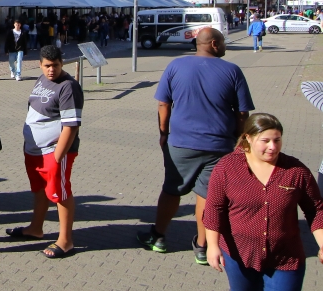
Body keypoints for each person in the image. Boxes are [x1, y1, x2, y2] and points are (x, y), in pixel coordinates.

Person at [137, 27, 255, 264]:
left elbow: (163, 104)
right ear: (213, 44)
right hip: (220, 144)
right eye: (222, 42)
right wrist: (239, 138)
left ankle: (158, 236)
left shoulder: (175, 66)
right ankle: (203, 247)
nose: (224, 46)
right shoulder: (232, 70)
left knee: (172, 189)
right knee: (208, 195)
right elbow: (243, 113)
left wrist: (163, 133)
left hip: (181, 142)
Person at [204, 113, 323, 290]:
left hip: (285, 258)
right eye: (265, 140)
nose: (272, 147)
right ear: (248, 138)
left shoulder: (296, 171)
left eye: (277, 140)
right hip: (239, 256)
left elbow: (316, 209)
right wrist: (212, 246)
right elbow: (214, 208)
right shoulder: (227, 168)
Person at [5, 45, 82, 258]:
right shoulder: (41, 80)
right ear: (40, 65)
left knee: (59, 192)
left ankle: (65, 241)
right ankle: (35, 229)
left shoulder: (68, 86)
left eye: (55, 66)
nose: (51, 70)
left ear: (61, 64)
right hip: (34, 151)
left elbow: (71, 125)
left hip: (55, 152)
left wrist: (58, 156)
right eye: (47, 66)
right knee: (38, 190)